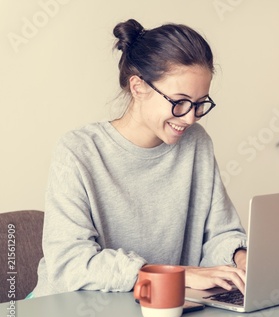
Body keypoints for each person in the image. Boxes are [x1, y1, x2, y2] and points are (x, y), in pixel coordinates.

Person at [31, 19, 247, 298]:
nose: (190, 117)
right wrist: (179, 275)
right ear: (138, 87)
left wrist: (240, 258)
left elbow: (220, 234)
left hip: (155, 307)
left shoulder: (197, 144)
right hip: (68, 311)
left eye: (199, 104)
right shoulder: (78, 151)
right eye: (179, 101)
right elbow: (70, 263)